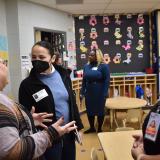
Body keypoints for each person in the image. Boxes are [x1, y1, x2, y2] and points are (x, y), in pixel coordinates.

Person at [19, 41, 83, 160]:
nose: (37, 60)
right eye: (34, 57)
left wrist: (78, 127)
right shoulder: (27, 85)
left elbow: (72, 103)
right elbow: (24, 116)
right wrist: (30, 118)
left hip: (68, 134)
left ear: (52, 58)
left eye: (42, 57)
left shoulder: (63, 75)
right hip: (47, 139)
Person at [0, 62, 77, 160]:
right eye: (1, 62)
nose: (5, 65)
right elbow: (11, 152)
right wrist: (50, 133)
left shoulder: (63, 76)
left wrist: (28, 120)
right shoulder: (2, 106)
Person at [80, 49, 110, 133]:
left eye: (92, 55)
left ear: (97, 56)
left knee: (100, 111)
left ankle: (100, 128)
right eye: (89, 55)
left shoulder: (103, 66)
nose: (89, 56)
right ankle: (92, 128)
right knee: (90, 110)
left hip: (100, 92)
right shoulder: (86, 66)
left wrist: (105, 92)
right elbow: (84, 80)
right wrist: (82, 92)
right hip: (89, 92)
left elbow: (107, 80)